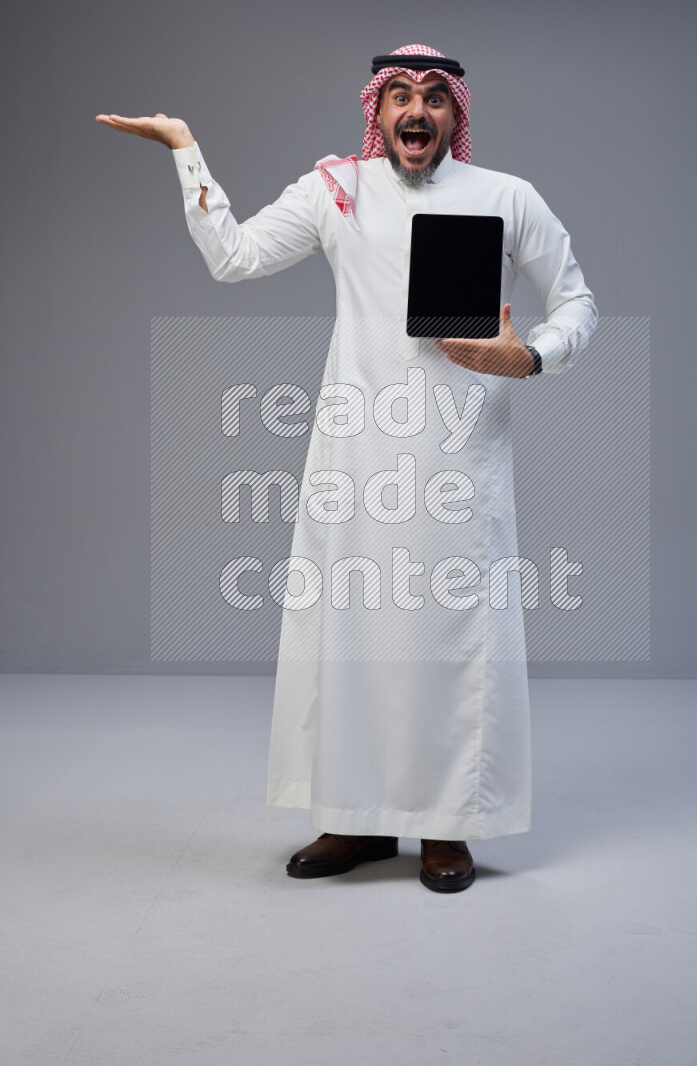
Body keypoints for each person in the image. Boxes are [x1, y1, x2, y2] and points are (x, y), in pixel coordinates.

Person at [96, 44, 597, 894]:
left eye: (435, 98)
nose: (416, 110)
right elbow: (235, 255)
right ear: (378, 109)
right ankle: (357, 819)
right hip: (355, 459)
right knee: (353, 639)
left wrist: (533, 357)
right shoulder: (337, 189)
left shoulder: (506, 198)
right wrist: (187, 149)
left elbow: (579, 301)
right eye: (400, 94)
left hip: (457, 462)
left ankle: (446, 827)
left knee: (449, 638)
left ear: (455, 115)